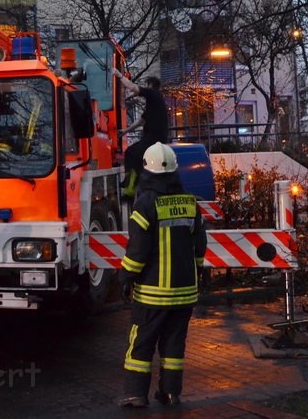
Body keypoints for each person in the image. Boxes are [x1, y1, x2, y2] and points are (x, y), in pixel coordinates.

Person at [117, 142, 207, 409]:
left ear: (147, 170)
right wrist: (197, 272)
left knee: (141, 344)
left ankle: (135, 394)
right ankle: (170, 393)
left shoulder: (145, 204)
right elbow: (199, 246)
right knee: (174, 345)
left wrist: (125, 278)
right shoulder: (191, 202)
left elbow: (137, 251)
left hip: (152, 294)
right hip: (185, 292)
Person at [111, 67, 169, 197]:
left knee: (134, 154)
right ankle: (129, 182)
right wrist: (125, 131)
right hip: (153, 137)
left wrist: (120, 76)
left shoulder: (153, 94)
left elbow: (133, 88)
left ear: (150, 85)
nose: (144, 87)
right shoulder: (154, 102)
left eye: (146, 85)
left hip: (154, 137)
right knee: (132, 154)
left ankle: (130, 186)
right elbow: (141, 121)